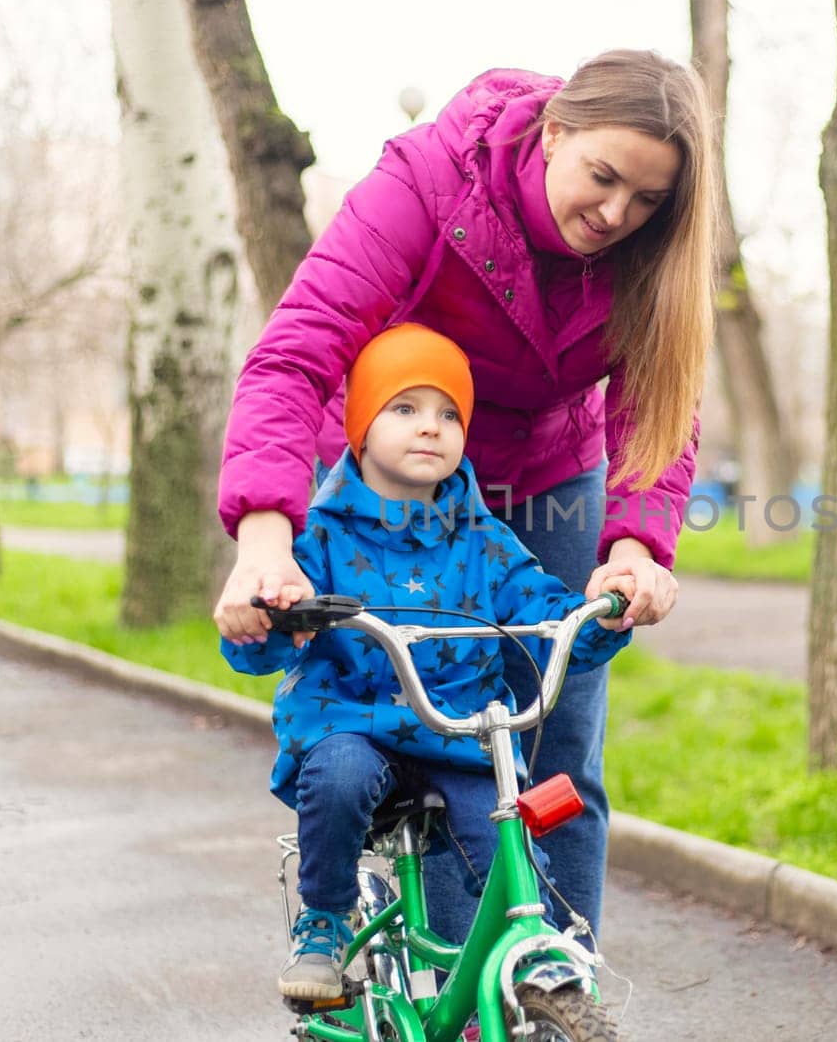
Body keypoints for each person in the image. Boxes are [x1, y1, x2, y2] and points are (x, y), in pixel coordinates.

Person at [213, 49, 717, 943]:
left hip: (550, 477)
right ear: (553, 130)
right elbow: (296, 355)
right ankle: (452, 988)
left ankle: (554, 990)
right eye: (602, 178)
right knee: (430, 735)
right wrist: (264, 537)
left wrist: (636, 549)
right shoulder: (426, 183)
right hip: (397, 479)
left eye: (647, 201)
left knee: (554, 743)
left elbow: (658, 412)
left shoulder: (652, 253)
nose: (616, 215)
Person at [221, 324, 635, 1001]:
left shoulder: (486, 540)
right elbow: (265, 641)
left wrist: (600, 617)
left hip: (459, 737)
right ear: (360, 424)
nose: (430, 428)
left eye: (449, 414)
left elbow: (543, 613)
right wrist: (264, 616)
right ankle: (324, 919)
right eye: (405, 408)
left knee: (511, 835)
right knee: (338, 775)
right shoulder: (318, 538)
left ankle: (522, 968)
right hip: (354, 724)